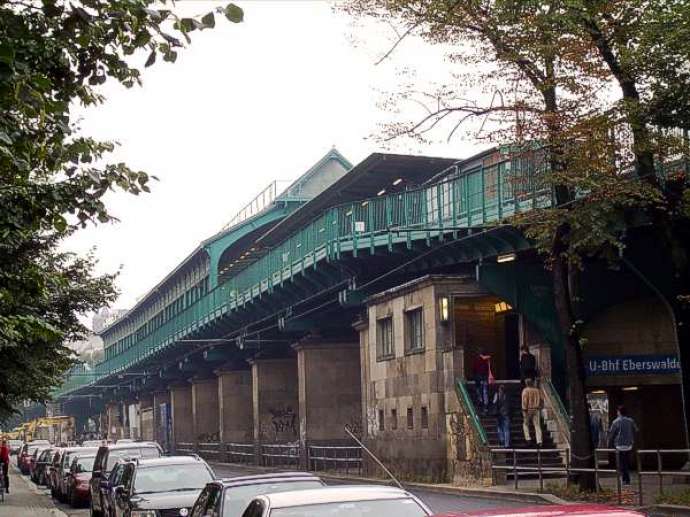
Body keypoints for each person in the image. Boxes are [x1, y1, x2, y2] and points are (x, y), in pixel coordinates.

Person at [608, 405, 638, 485]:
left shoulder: (615, 422)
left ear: (619, 412)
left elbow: (611, 433)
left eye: (617, 411)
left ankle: (625, 480)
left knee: (621, 463)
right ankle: (627, 479)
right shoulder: (630, 420)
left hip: (619, 445)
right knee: (626, 462)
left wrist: (609, 443)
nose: (617, 413)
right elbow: (636, 430)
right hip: (629, 445)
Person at [521, 379, 542, 447]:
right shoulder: (537, 390)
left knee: (525, 424)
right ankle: (539, 441)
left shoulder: (525, 390)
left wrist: (524, 409)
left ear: (526, 383)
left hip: (528, 410)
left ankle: (528, 439)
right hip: (536, 409)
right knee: (537, 425)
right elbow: (541, 399)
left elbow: (524, 401)